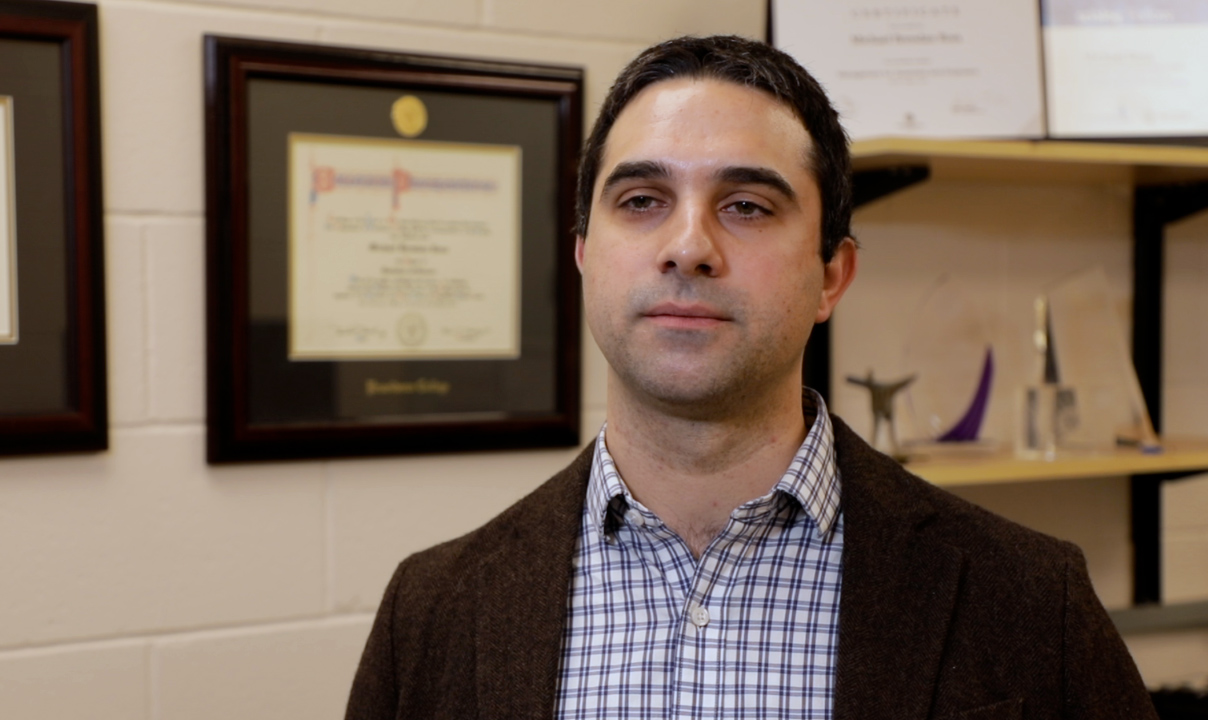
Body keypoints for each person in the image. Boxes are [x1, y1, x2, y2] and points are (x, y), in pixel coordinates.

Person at [345, 35, 1156, 720]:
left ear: (832, 276)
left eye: (747, 206)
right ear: (585, 254)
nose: (688, 247)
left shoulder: (1032, 605)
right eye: (641, 200)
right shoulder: (431, 613)